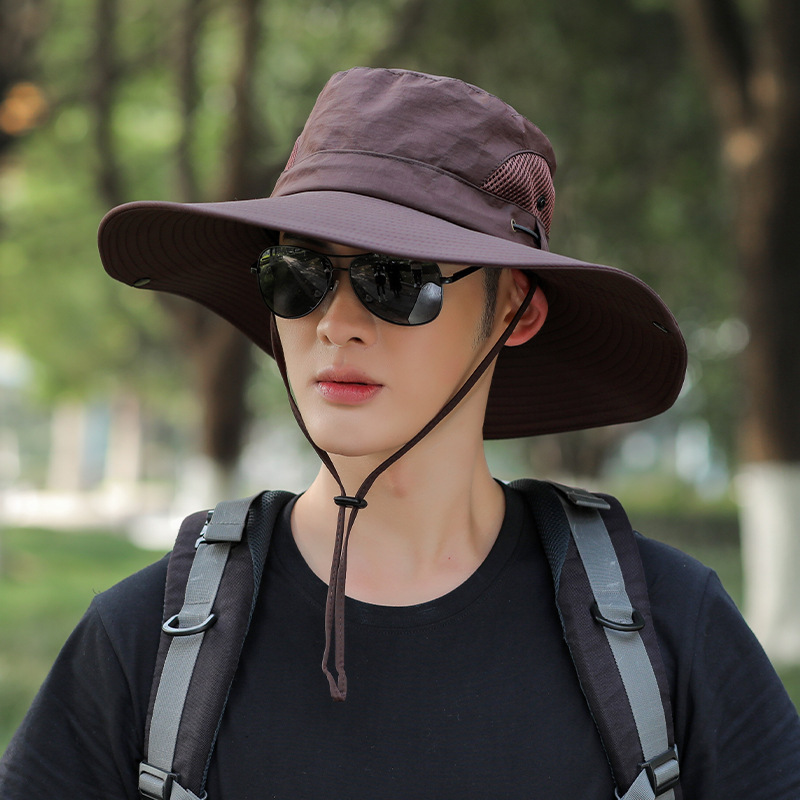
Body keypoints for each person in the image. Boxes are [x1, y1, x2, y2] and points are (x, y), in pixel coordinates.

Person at [1, 66, 799, 799]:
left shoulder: (669, 631)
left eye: (397, 279)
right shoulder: (143, 642)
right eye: (299, 274)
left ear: (516, 309)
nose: (336, 324)